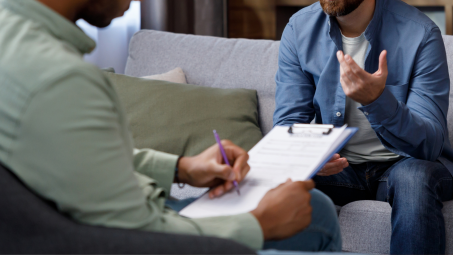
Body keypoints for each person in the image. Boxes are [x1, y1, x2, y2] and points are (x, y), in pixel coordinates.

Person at [0, 0, 342, 253]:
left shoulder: (12, 35)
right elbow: (139, 234)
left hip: (112, 214)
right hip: (134, 233)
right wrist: (258, 224)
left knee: (318, 208)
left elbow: (74, 155)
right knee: (315, 218)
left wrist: (182, 168)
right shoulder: (61, 78)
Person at [274, 0, 453, 254]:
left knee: (414, 178)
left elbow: (429, 143)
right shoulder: (298, 29)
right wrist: (308, 156)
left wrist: (377, 101)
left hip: (403, 165)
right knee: (275, 173)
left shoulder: (421, 33)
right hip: (339, 169)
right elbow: (287, 127)